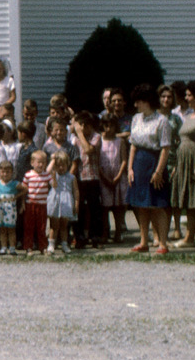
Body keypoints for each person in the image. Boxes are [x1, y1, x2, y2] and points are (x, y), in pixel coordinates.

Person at [126, 83, 171, 255]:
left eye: (138, 101)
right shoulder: (136, 119)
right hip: (138, 164)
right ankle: (143, 241)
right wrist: (130, 168)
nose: (136, 105)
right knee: (141, 205)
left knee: (157, 205)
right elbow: (133, 145)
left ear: (147, 101)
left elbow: (165, 148)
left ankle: (163, 243)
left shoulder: (162, 121)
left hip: (154, 162)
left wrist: (159, 171)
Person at [172, 80, 195, 247]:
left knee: (194, 199)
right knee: (186, 198)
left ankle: (190, 237)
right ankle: (189, 236)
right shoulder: (189, 115)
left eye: (189, 95)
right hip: (183, 160)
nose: (186, 98)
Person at [70, 111, 103, 248]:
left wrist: (80, 134)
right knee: (80, 209)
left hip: (93, 177)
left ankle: (95, 236)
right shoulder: (74, 138)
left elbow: (89, 150)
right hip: (79, 177)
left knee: (94, 208)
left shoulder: (96, 137)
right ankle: (80, 237)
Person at [158, 84, 184, 241]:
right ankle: (161, 230)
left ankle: (177, 228)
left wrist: (177, 164)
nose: (166, 99)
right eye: (163, 97)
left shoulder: (176, 118)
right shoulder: (154, 117)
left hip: (173, 161)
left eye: (169, 97)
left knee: (174, 198)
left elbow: (181, 140)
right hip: (158, 161)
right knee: (161, 198)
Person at [98, 113, 128, 242]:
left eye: (111, 126)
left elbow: (124, 160)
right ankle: (105, 232)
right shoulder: (100, 140)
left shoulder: (120, 141)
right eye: (106, 126)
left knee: (118, 207)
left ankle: (118, 232)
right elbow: (97, 161)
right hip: (104, 177)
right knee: (105, 208)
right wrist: (104, 177)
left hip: (118, 177)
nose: (108, 129)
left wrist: (118, 176)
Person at [46, 151, 78, 255]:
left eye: (63, 165)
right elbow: (53, 183)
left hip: (66, 202)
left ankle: (64, 244)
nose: (61, 168)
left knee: (64, 226)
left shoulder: (71, 177)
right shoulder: (53, 175)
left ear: (67, 164)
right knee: (54, 226)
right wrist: (53, 160)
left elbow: (76, 191)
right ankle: (51, 244)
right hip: (55, 201)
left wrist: (76, 204)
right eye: (58, 165)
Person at [22, 150, 50, 255]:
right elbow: (24, 190)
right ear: (32, 163)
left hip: (42, 204)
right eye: (39, 162)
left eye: (43, 162)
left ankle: (43, 247)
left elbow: (54, 184)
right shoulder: (28, 175)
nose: (41, 164)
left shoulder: (47, 175)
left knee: (42, 227)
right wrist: (22, 203)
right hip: (30, 203)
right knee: (29, 226)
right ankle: (28, 247)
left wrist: (53, 171)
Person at [0, 160, 22, 255]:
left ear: (12, 173)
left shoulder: (14, 183)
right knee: (2, 229)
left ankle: (12, 248)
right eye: (3, 172)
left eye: (7, 172)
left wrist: (16, 197)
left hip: (10, 208)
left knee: (11, 229)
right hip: (0, 207)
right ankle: (3, 247)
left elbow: (25, 189)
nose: (5, 174)